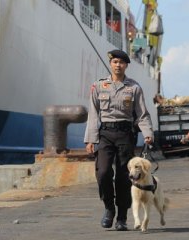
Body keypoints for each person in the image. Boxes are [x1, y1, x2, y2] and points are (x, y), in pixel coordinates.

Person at [84, 49, 154, 231]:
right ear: (111, 64)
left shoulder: (134, 88)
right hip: (105, 134)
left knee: (124, 177)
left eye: (121, 62)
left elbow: (142, 113)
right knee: (103, 173)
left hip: (125, 135)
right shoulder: (99, 86)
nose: (118, 65)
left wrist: (148, 133)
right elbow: (93, 114)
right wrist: (90, 139)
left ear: (126, 65)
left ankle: (122, 216)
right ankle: (109, 208)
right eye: (115, 62)